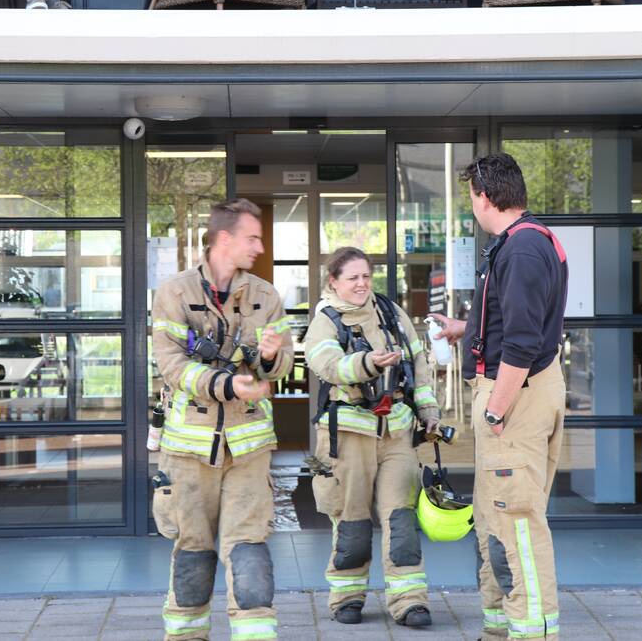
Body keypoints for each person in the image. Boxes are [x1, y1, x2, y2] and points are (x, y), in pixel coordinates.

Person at [430, 153, 568, 640]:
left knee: (518, 521)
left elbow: (524, 343)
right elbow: (514, 322)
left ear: (483, 196)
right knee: (494, 515)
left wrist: (494, 409)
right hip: (523, 390)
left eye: (470, 196)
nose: (471, 204)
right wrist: (466, 331)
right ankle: (499, 625)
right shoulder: (521, 242)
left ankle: (534, 630)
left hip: (517, 397)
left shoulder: (523, 250)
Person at [151, 198, 294, 641]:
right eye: (252, 236)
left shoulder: (266, 296)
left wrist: (270, 357)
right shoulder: (173, 294)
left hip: (248, 450)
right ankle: (186, 634)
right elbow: (170, 365)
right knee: (194, 551)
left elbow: (283, 363)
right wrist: (228, 385)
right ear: (224, 239)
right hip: (189, 450)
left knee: (249, 548)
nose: (260, 245)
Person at [306, 246, 442, 629]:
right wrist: (369, 363)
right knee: (352, 522)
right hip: (347, 436)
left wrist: (428, 411)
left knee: (401, 518)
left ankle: (409, 600)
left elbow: (418, 363)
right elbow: (327, 364)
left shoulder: (390, 312)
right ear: (334, 281)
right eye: (353, 278)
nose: (362, 283)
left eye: (366, 276)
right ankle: (347, 596)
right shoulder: (325, 321)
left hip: (396, 431)